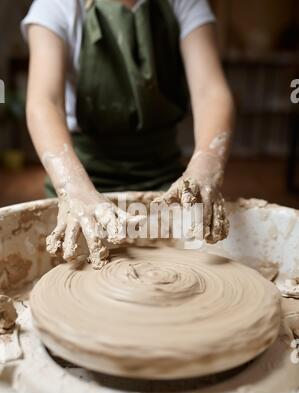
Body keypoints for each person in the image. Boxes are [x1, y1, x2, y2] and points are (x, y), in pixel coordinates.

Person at [22, 0, 235, 268]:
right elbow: (44, 101)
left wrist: (206, 165)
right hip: (83, 174)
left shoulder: (183, 2)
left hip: (163, 180)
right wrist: (73, 186)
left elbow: (210, 91)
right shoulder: (56, 5)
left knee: (188, 269)